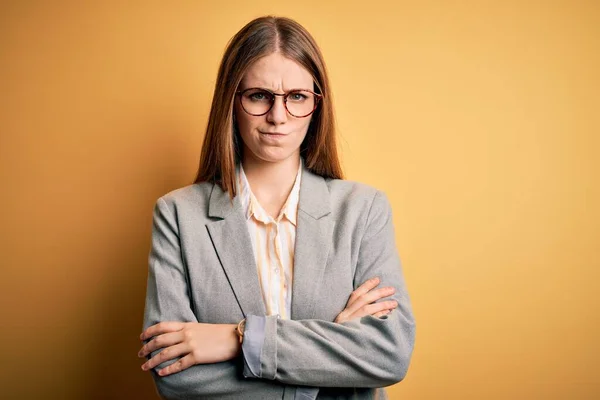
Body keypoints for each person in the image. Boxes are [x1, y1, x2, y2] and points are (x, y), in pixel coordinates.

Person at [138, 15, 415, 400]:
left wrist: (238, 340)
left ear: (317, 105)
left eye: (297, 97)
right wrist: (335, 358)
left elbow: (389, 354)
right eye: (259, 96)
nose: (278, 116)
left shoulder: (364, 210)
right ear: (231, 101)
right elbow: (173, 375)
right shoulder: (177, 215)